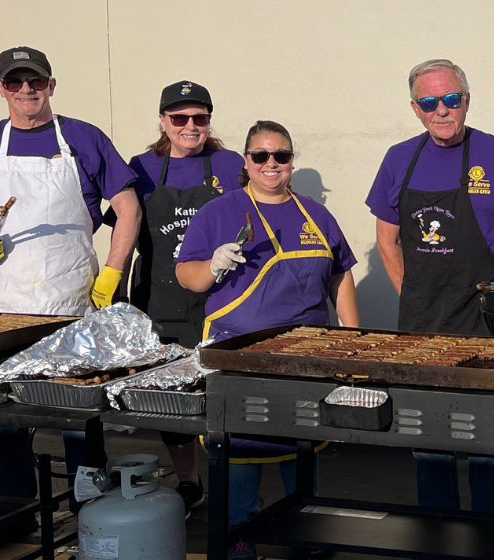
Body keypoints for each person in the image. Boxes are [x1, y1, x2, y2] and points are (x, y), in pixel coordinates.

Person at [0, 46, 140, 531]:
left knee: (78, 411)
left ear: (52, 85)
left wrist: (112, 272)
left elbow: (129, 207)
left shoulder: (84, 138)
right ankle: (11, 515)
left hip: (67, 300)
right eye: (15, 83)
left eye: (35, 81)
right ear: (1, 89)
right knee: (2, 413)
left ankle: (92, 515)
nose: (26, 90)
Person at [366, 59, 494, 512]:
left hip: (488, 319)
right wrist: (412, 290)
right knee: (430, 439)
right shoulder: (398, 159)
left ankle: (491, 534)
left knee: (488, 438)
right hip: (422, 322)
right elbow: (386, 240)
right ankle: (438, 530)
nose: (441, 110)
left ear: (466, 100)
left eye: (451, 99)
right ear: (415, 108)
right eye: (430, 102)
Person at [176, 120, 355, 560]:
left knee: (303, 452)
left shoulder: (316, 213)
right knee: (239, 456)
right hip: (239, 360)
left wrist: (352, 342)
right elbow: (187, 276)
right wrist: (213, 265)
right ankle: (239, 539)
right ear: (246, 162)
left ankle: (306, 535)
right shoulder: (218, 213)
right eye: (261, 156)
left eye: (281, 156)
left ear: (292, 161)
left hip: (306, 359)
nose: (271, 164)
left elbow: (341, 273)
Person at [126, 80, 245, 515]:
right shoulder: (139, 167)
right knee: (172, 393)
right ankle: (188, 479)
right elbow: (121, 222)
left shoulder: (231, 163)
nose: (189, 126)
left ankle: (234, 481)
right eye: (179, 118)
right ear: (163, 122)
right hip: (160, 296)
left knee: (221, 390)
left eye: (199, 118)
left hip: (222, 295)